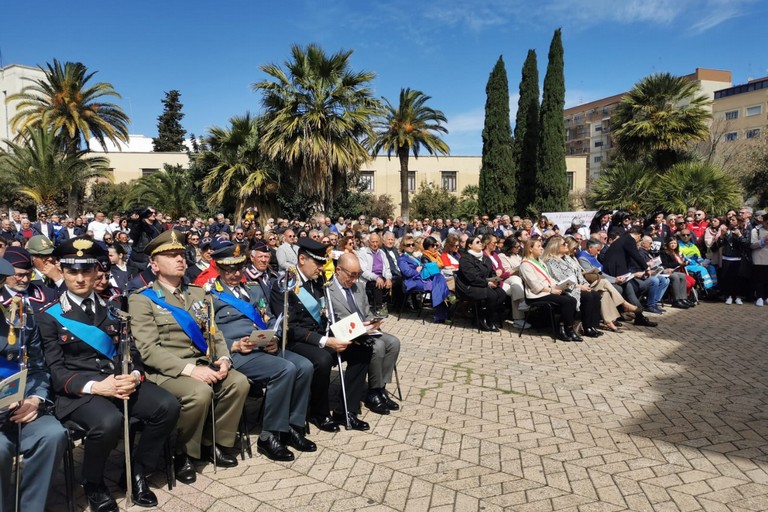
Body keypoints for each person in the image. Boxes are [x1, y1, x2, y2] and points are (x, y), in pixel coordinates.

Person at [37, 238, 180, 510]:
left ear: (96, 272)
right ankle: (93, 482)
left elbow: (133, 353)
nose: (80, 279)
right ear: (63, 272)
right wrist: (96, 387)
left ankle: (136, 471)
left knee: (167, 405)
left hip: (119, 382)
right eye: (72, 272)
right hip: (81, 393)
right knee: (109, 421)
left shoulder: (114, 309)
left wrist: (134, 376)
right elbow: (55, 372)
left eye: (86, 271)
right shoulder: (48, 317)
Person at [128, 230, 249, 484]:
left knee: (239, 383)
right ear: (154, 265)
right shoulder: (142, 300)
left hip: (203, 363)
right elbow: (149, 350)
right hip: (167, 371)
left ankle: (212, 442)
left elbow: (214, 334)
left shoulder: (198, 294)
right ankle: (182, 452)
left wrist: (225, 360)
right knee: (199, 392)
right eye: (171, 256)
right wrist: (191, 371)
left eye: (181, 255)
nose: (180, 259)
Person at [209, 240, 315, 461]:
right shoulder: (209, 295)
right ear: (219, 268)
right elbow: (207, 334)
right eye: (229, 269)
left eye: (239, 268)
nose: (236, 274)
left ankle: (292, 426)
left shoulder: (253, 289)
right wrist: (234, 345)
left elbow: (270, 318)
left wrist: (274, 337)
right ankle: (269, 436)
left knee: (305, 366)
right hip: (237, 354)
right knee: (285, 369)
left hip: (263, 348)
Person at [269, 238, 372, 433]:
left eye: (322, 263)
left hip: (322, 336)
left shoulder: (318, 283)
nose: (321, 268)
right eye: (317, 263)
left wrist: (355, 329)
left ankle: (346, 410)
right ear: (301, 259)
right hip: (296, 342)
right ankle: (319, 412)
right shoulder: (284, 285)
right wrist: (326, 341)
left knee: (362, 348)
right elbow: (289, 328)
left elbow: (327, 317)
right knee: (323, 359)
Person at [0, 256, 68, 512]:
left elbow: (38, 366)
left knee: (52, 435)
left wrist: (35, 399)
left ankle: (31, 508)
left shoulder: (21, 316)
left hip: (20, 404)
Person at [328, 253, 401, 416]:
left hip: (367, 329)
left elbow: (366, 312)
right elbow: (332, 321)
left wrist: (373, 322)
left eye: (358, 275)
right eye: (351, 275)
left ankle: (381, 387)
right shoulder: (328, 289)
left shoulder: (359, 287)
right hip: (348, 333)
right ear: (338, 270)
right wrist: (360, 328)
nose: (354, 279)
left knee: (394, 342)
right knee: (379, 345)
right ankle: (373, 392)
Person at [519, 238, 582, 342]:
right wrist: (551, 290)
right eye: (538, 246)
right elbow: (534, 285)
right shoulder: (525, 264)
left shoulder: (540, 262)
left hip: (547, 290)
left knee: (572, 299)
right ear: (530, 249)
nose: (541, 248)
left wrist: (558, 286)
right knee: (566, 301)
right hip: (537, 295)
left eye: (541, 246)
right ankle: (565, 329)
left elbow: (549, 278)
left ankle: (566, 328)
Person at [542, 236, 603, 338]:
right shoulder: (551, 261)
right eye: (564, 244)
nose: (567, 245)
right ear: (556, 246)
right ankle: (584, 326)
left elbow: (578, 273)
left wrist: (584, 284)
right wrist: (579, 287)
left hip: (576, 285)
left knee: (595, 295)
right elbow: (560, 279)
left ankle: (589, 325)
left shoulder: (567, 258)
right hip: (565, 288)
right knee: (588, 296)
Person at [456, 235, 507, 332]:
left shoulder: (485, 258)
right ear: (470, 245)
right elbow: (472, 277)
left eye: (480, 242)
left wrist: (495, 280)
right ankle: (487, 320)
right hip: (468, 287)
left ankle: (482, 315)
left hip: (483, 284)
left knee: (501, 294)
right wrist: (488, 283)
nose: (480, 243)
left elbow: (491, 271)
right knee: (491, 295)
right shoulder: (465, 259)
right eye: (477, 242)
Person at [397, 235, 451, 323]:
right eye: (408, 245)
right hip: (412, 282)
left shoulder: (414, 257)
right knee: (439, 283)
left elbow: (422, 266)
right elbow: (408, 273)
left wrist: (421, 267)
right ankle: (444, 309)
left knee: (439, 277)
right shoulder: (402, 259)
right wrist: (417, 270)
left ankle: (441, 312)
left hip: (421, 279)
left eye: (412, 244)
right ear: (403, 246)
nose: (411, 246)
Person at [1, 247, 60, 313]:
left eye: (29, 274)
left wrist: (58, 279)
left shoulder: (46, 293)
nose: (25, 280)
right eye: (19, 275)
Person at [357, 233, 393, 316]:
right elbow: (364, 271)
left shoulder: (382, 253)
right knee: (378, 284)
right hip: (368, 279)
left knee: (394, 281)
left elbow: (387, 268)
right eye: (373, 242)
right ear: (369, 242)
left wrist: (388, 278)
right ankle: (378, 308)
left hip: (381, 276)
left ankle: (387, 305)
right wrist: (376, 277)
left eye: (377, 242)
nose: (375, 244)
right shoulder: (363, 253)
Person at [750, 211, 768, 307]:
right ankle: (760, 297)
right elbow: (752, 245)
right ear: (763, 221)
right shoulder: (755, 230)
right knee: (759, 279)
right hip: (759, 258)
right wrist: (763, 240)